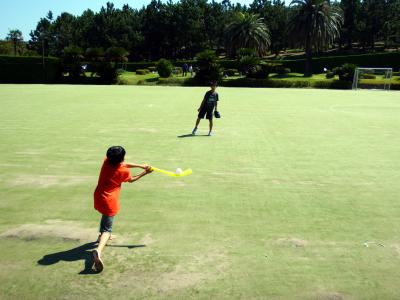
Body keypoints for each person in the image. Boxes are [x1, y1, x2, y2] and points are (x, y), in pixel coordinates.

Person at [92, 146, 152, 272]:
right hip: (110, 201)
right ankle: (99, 250)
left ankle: (100, 236)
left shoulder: (106, 161)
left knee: (105, 217)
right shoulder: (123, 171)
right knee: (107, 230)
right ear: (122, 158)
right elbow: (131, 180)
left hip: (98, 196)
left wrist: (141, 166)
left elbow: (123, 164)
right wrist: (144, 172)